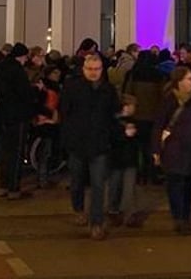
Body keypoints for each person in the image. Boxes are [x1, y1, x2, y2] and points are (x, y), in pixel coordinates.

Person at [61, 53, 119, 240]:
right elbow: (65, 113)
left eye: (97, 69)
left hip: (99, 144)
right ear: (84, 69)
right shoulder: (72, 87)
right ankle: (78, 208)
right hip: (77, 143)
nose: (94, 73)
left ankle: (96, 222)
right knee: (77, 181)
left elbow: (113, 115)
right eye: (90, 69)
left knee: (98, 184)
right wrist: (68, 139)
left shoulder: (108, 90)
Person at [153, 66, 191, 235]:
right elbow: (159, 124)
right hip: (174, 148)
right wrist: (156, 149)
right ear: (179, 82)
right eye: (189, 79)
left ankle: (185, 215)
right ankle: (179, 217)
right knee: (175, 183)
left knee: (190, 183)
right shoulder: (168, 99)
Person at [0, 43, 38, 200]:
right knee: (17, 152)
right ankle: (14, 188)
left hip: (3, 116)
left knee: (5, 152)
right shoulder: (17, 71)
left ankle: (3, 186)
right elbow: (24, 93)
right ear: (22, 56)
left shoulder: (1, 68)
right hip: (18, 116)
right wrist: (35, 89)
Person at [122, 51, 167, 185]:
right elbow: (163, 97)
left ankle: (138, 175)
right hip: (153, 117)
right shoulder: (159, 75)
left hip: (136, 117)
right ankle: (152, 174)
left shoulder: (132, 74)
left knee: (136, 148)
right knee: (152, 147)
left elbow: (127, 95)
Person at [108, 94, 142, 228]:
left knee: (128, 187)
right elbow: (111, 138)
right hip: (117, 159)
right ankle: (114, 211)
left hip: (128, 158)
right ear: (126, 107)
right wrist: (124, 134)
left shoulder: (133, 121)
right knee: (116, 186)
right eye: (133, 105)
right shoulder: (113, 122)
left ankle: (128, 214)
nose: (135, 108)